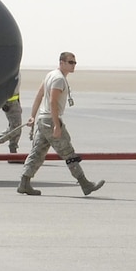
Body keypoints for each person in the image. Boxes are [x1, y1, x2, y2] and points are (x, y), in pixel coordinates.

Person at [17, 51, 104, 197]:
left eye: (74, 62)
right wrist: (57, 125)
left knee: (37, 153)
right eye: (70, 62)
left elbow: (39, 95)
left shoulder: (51, 75)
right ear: (61, 62)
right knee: (68, 153)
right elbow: (52, 102)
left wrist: (33, 116)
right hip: (51, 120)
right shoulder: (58, 79)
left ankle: (24, 183)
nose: (73, 65)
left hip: (43, 120)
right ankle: (85, 184)